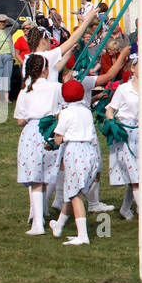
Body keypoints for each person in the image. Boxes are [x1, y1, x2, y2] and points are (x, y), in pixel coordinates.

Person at [48, 79, 101, 246]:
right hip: (91, 152)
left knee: (75, 195)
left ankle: (83, 235)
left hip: (75, 152)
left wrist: (52, 139)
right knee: (73, 191)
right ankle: (59, 226)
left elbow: (58, 138)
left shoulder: (66, 113)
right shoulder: (86, 111)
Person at [14, 54, 62, 235]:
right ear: (44, 69)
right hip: (50, 131)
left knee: (35, 178)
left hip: (32, 131)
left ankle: (38, 222)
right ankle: (39, 217)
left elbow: (20, 120)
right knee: (44, 175)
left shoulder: (25, 90)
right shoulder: (56, 87)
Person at [105, 54, 142, 220]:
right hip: (126, 135)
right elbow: (110, 109)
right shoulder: (123, 89)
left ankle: (126, 208)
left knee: (138, 174)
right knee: (136, 176)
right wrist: (112, 122)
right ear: (132, 68)